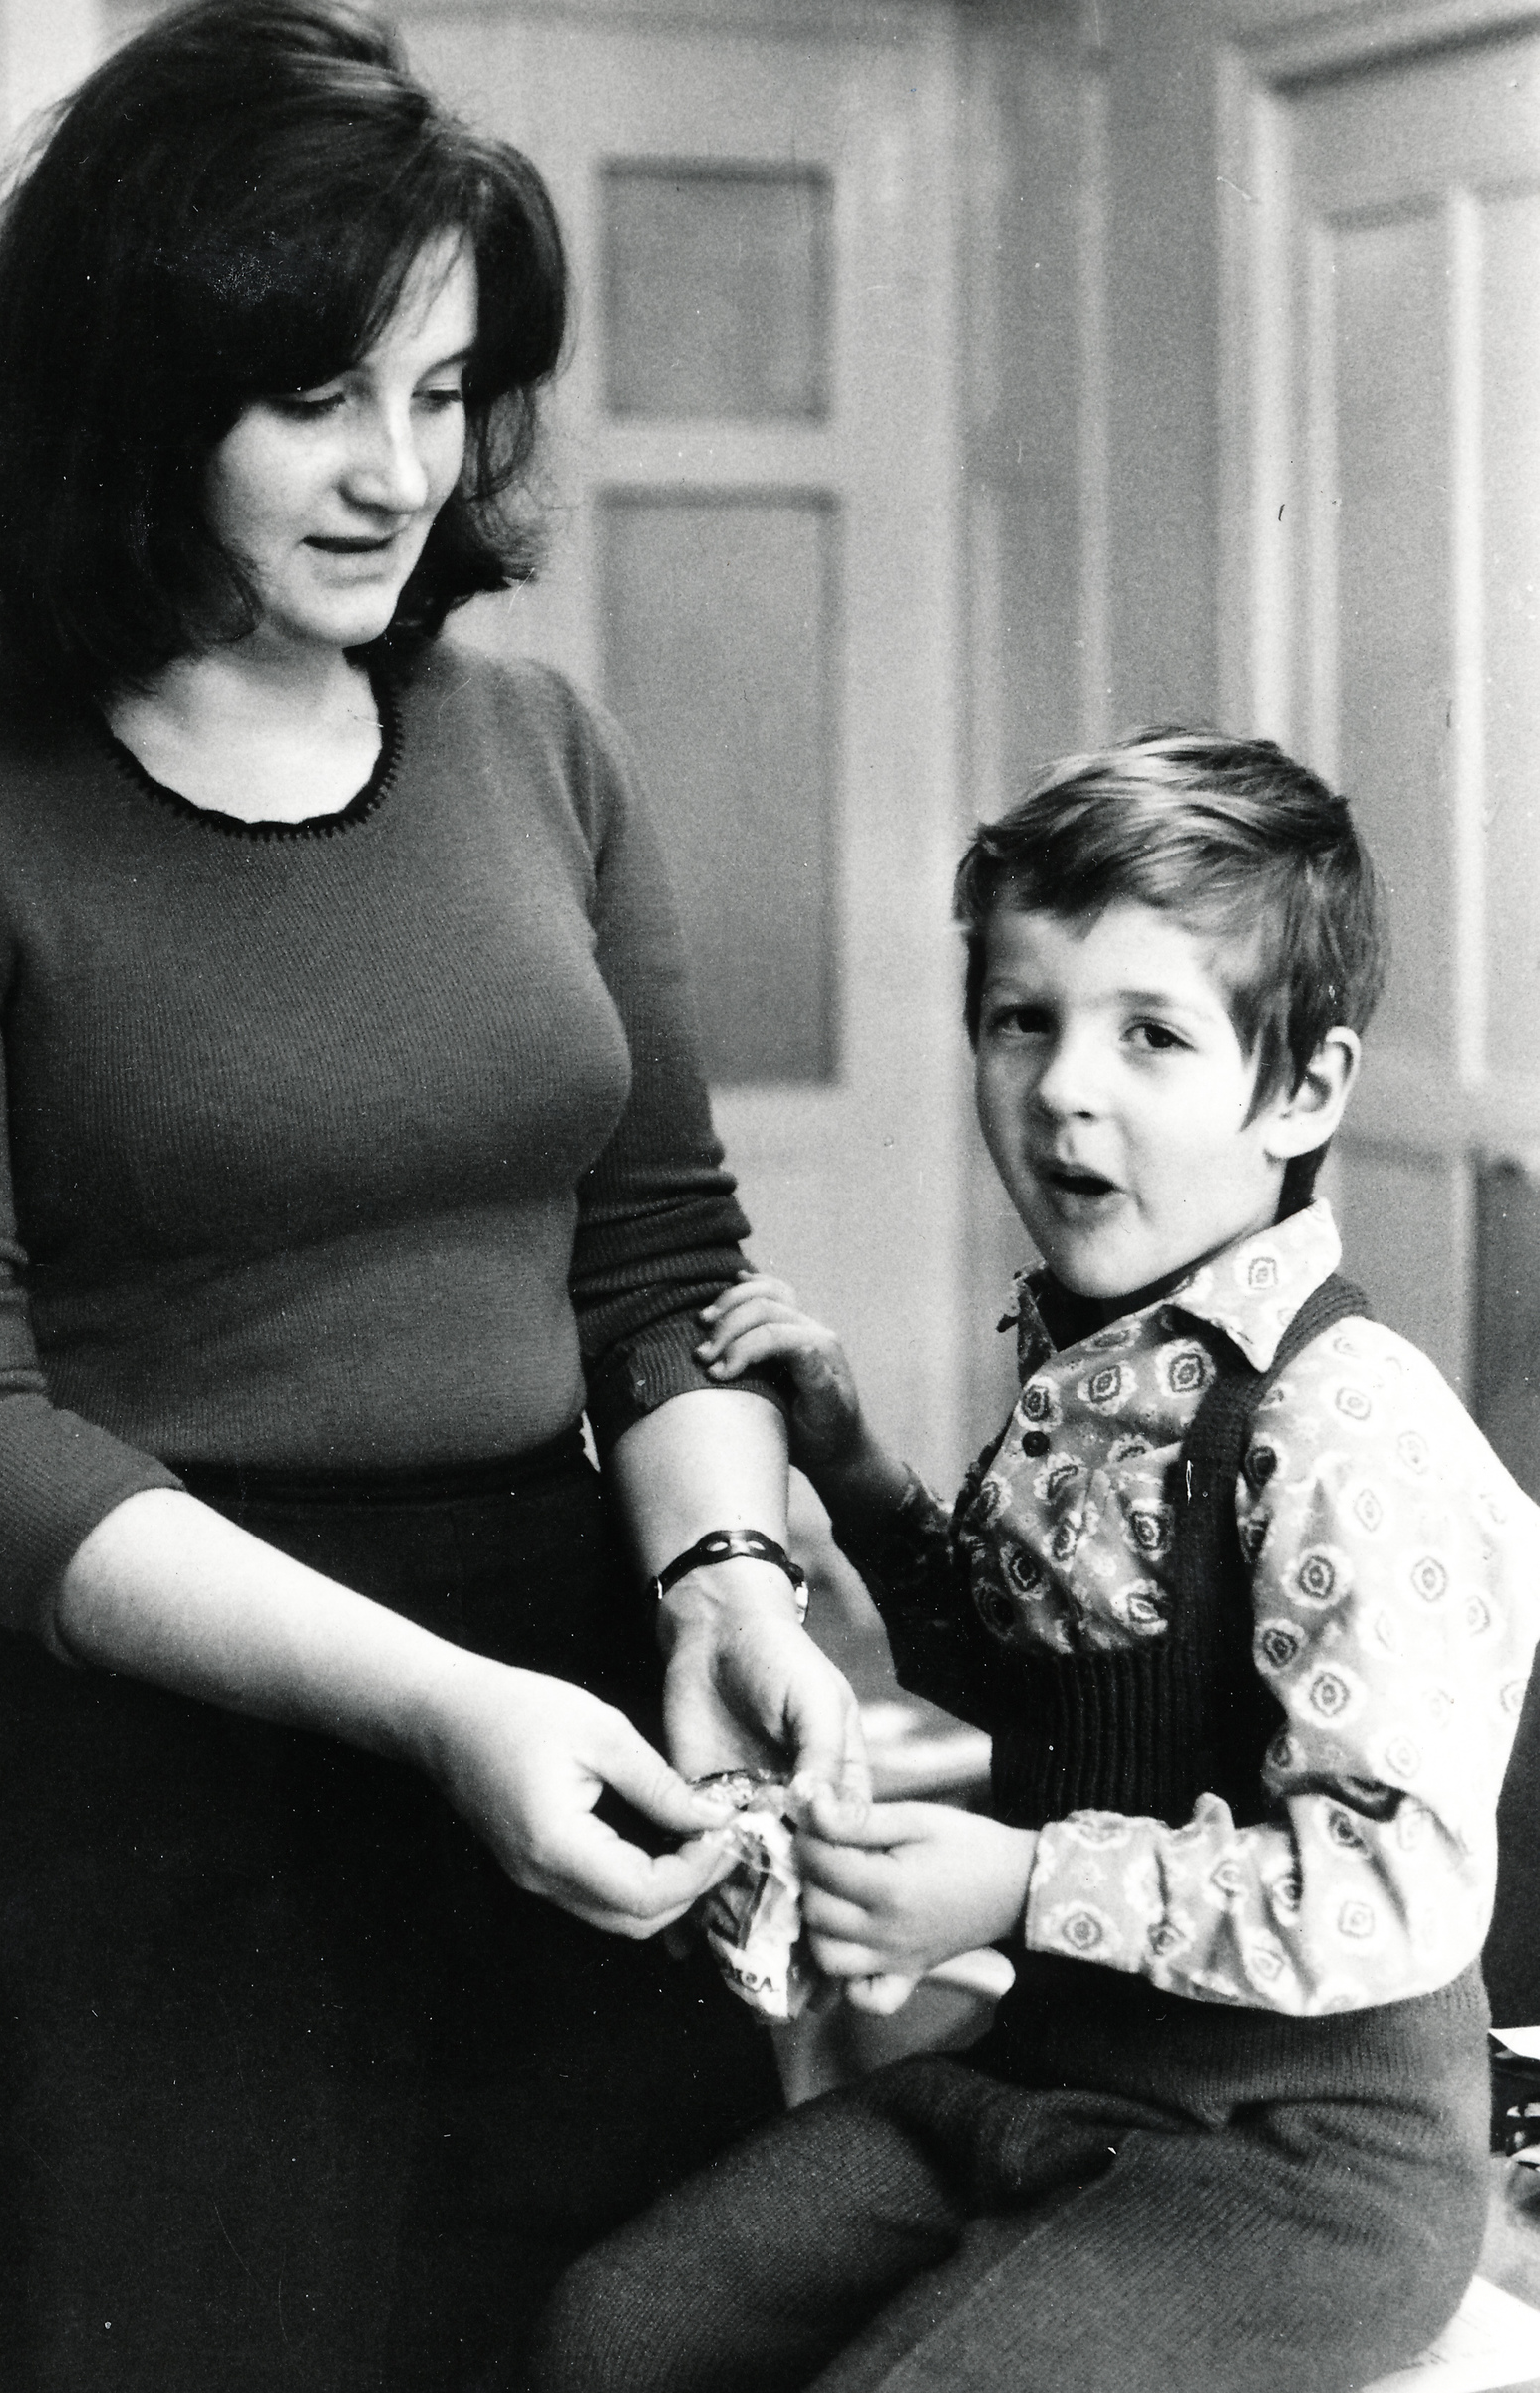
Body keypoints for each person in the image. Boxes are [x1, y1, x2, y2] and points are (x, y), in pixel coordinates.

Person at [0, 6, 866, 2388]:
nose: (403, 473)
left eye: (447, 392)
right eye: (316, 399)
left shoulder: (541, 748)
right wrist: (433, 1707)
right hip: (144, 1768)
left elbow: (658, 1266)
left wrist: (718, 1580)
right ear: (133, 391)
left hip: (554, 1710)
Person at [523, 730, 1540, 2393]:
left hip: (1298, 2170)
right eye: (1020, 1019)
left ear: (1301, 1089)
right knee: (616, 2329)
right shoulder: (1100, 1361)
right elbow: (1028, 1687)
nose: (1063, 1085)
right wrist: (854, 1472)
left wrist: (1011, 1885)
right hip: (1049, 2082)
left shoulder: (1345, 1423)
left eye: (1150, 1034)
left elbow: (1389, 1891)